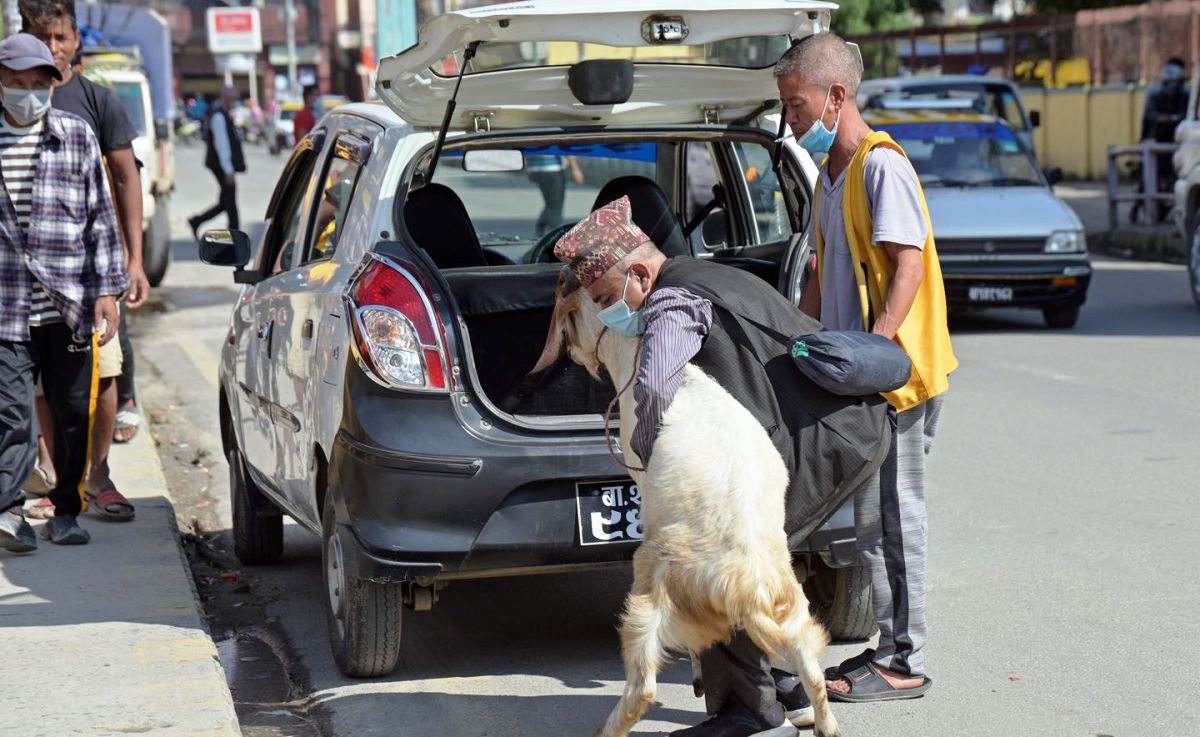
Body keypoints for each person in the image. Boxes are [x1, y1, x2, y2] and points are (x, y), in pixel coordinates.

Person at [553, 193, 894, 737]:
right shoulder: (705, 273)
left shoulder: (672, 300)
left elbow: (655, 381)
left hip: (820, 439)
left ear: (640, 273)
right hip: (834, 428)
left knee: (721, 560)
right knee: (746, 566)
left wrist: (642, 447)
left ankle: (749, 712)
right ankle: (788, 693)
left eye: (605, 296)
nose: (606, 311)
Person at [776, 34, 956, 704]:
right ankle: (884, 647)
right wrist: (790, 339)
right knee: (870, 517)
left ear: (836, 97)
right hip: (859, 377)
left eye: (796, 106)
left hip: (896, 379)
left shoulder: (883, 169)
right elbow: (823, 273)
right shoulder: (830, 177)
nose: (790, 121)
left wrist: (875, 352)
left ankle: (904, 658)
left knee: (895, 515)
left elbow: (907, 264)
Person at [0, 33, 127, 552]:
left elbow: (100, 220)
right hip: (6, 307)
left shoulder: (75, 136)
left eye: (38, 85)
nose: (29, 94)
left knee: (74, 411)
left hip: (66, 304)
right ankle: (8, 511)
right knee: (11, 413)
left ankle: (67, 510)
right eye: (18, 84)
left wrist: (108, 291)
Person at [22, 0, 147, 523]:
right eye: (42, 37)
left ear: (77, 40)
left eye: (61, 38)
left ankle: (98, 474)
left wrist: (133, 259)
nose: (53, 48)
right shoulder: (18, 100)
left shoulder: (97, 101)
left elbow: (125, 178)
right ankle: (57, 478)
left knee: (102, 372)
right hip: (28, 274)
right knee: (42, 382)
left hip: (94, 269)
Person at [189, 85, 245, 238]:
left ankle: (196, 221)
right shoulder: (219, 117)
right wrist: (228, 170)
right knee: (230, 204)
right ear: (226, 98)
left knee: (225, 202)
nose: (235, 102)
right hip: (222, 166)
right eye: (233, 99)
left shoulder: (225, 115)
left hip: (224, 166)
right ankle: (235, 239)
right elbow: (222, 145)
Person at [527, 153, 584, 235]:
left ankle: (541, 227)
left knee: (550, 204)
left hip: (536, 168)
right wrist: (575, 169)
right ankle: (554, 234)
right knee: (555, 206)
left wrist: (528, 167)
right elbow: (564, 146)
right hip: (553, 168)